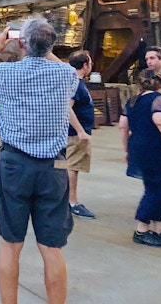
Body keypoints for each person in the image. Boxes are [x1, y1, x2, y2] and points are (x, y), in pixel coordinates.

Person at [0, 19, 78, 304]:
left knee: (11, 243)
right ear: (51, 45)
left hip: (15, 164)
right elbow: (63, 67)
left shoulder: (4, 72)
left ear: (20, 42)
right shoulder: (65, 74)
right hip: (53, 167)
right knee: (52, 246)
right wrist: (44, 46)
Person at [118, 69, 161, 247]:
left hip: (137, 147)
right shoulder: (159, 100)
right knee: (158, 189)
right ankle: (141, 228)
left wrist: (127, 150)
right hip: (156, 150)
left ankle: (159, 227)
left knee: (155, 187)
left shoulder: (132, 101)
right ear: (160, 83)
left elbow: (123, 127)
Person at [64, 50, 95, 219]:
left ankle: (65, 198)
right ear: (85, 65)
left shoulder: (75, 82)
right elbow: (67, 108)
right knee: (73, 167)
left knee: (67, 165)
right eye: (90, 63)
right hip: (75, 135)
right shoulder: (75, 83)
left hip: (76, 133)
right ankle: (72, 201)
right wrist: (80, 131)